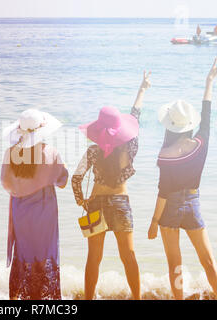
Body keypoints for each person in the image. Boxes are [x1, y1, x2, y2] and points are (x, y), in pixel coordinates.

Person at [147, 58, 217, 300]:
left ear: (169, 128)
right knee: (209, 261)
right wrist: (209, 82)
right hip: (192, 205)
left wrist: (153, 222)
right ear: (190, 125)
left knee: (175, 265)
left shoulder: (165, 154)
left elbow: (163, 191)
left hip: (169, 210)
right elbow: (207, 113)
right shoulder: (200, 144)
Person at [72, 71, 151, 300]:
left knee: (93, 258)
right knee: (129, 256)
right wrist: (142, 89)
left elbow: (76, 178)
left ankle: (88, 299)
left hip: (95, 204)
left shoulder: (93, 151)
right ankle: (136, 298)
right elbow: (135, 116)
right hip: (120, 203)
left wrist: (81, 200)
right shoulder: (129, 147)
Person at [1, 109, 68, 300]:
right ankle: (42, 298)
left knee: (24, 253)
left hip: (20, 213)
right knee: (45, 253)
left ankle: (24, 297)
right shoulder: (51, 152)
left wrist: (22, 189)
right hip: (45, 213)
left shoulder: (10, 153)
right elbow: (62, 182)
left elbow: (5, 183)